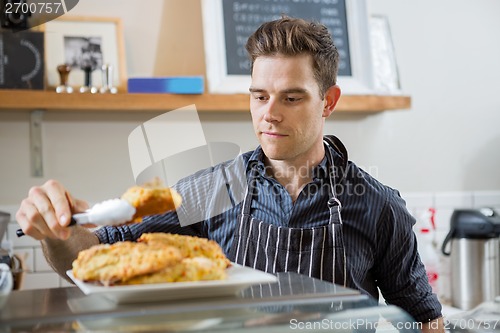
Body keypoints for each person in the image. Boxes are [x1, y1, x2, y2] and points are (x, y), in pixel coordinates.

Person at [16, 17, 443, 332]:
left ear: (328, 101)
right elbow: (86, 257)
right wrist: (55, 232)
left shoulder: (378, 205)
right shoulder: (215, 189)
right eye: (259, 96)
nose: (269, 114)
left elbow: (427, 320)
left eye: (291, 97)